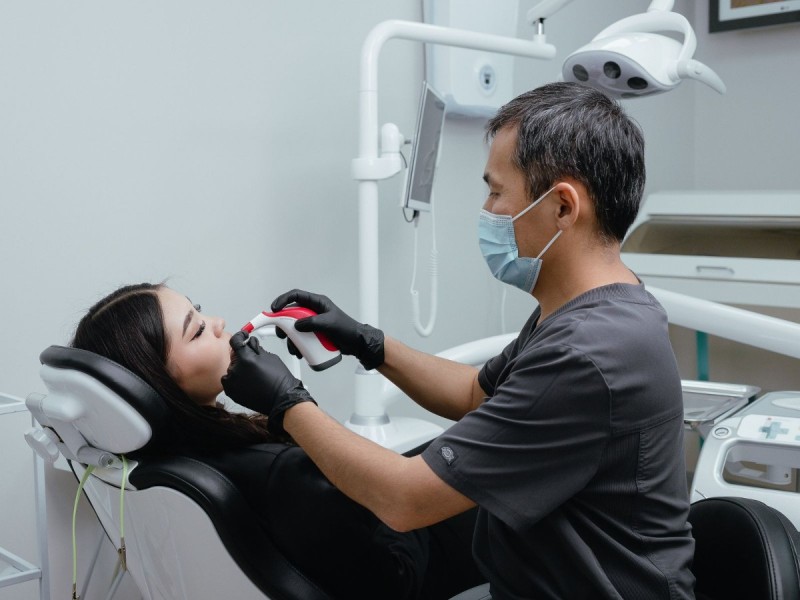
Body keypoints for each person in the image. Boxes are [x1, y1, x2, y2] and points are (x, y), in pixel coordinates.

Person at [221, 82, 697, 599]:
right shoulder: (589, 312)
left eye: (496, 191)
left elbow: (405, 500)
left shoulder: (588, 352)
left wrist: (286, 403)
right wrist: (368, 343)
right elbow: (476, 393)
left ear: (563, 206)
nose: (487, 209)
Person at [71, 282, 485, 600]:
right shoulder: (281, 473)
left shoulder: (171, 462)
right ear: (158, 384)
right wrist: (294, 408)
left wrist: (366, 343)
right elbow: (394, 586)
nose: (218, 323)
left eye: (200, 311)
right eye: (197, 331)